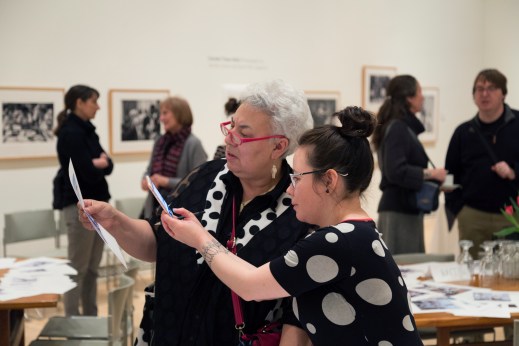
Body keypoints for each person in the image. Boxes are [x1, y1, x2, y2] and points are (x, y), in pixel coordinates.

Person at [79, 79, 314, 345]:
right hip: (167, 333)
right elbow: (158, 239)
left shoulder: (298, 209)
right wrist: (116, 222)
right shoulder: (205, 177)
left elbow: (297, 314)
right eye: (231, 125)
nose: (229, 138)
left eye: (244, 133)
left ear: (279, 146)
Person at [164, 106, 423, 345]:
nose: (290, 189)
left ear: (329, 181)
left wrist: (200, 238)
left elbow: (250, 285)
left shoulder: (338, 241)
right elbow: (260, 281)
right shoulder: (355, 234)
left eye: (297, 178)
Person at [445, 69, 519, 258]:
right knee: (474, 275)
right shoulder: (463, 132)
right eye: (479, 89)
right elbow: (449, 175)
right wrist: (459, 209)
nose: (484, 94)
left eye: (491, 88)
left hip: (512, 216)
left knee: (510, 275)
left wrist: (513, 172)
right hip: (472, 216)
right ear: (474, 96)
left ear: (503, 93)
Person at [54, 85, 114, 316]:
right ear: (80, 102)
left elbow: (109, 164)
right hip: (79, 206)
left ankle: (90, 320)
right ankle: (72, 320)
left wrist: (99, 163)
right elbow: (85, 171)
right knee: (77, 269)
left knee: (91, 269)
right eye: (94, 101)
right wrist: (97, 164)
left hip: (97, 204)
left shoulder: (88, 130)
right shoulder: (70, 133)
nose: (98, 106)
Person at [372, 75, 447, 254]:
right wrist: (431, 174)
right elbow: (395, 170)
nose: (422, 96)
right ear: (409, 98)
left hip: (404, 209)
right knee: (406, 269)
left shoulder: (398, 126)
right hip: (399, 212)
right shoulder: (398, 127)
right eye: (419, 92)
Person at [140, 96, 208, 219]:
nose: (161, 118)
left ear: (179, 114)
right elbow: (149, 170)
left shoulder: (193, 143)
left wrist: (165, 181)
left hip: (179, 213)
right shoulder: (160, 141)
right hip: (153, 209)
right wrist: (145, 180)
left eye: (165, 113)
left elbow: (200, 181)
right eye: (160, 114)